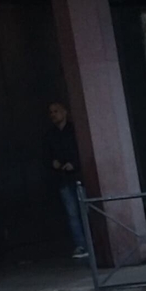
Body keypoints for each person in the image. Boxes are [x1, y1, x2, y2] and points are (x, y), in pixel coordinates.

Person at [43, 102, 86, 261]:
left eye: (56, 111)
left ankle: (93, 242)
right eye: (51, 112)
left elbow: (83, 150)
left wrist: (74, 164)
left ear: (65, 112)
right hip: (63, 179)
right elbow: (46, 157)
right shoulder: (50, 135)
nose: (53, 114)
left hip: (79, 177)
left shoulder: (75, 130)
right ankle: (81, 244)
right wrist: (53, 163)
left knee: (85, 211)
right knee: (72, 213)